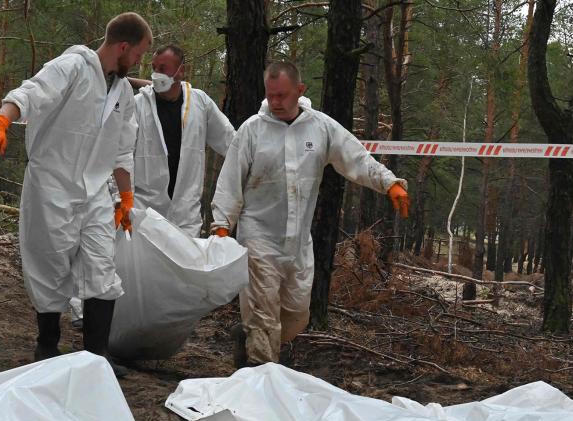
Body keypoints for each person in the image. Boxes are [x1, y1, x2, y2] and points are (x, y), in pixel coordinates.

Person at [0, 12, 151, 376]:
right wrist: (2, 120)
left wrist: (126, 197)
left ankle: (96, 357)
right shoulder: (72, 67)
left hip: (95, 192)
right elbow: (31, 92)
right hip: (53, 184)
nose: (138, 63)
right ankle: (47, 347)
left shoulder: (122, 91)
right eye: (137, 55)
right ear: (123, 47)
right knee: (50, 263)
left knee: (102, 265)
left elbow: (123, 150)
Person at [211, 62, 410, 367]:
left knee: (296, 316)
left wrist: (389, 183)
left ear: (300, 91)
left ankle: (250, 337)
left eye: (283, 95)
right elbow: (229, 181)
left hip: (298, 245)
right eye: (271, 95)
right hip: (259, 238)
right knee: (264, 317)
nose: (276, 102)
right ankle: (260, 381)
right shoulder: (252, 130)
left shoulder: (321, 128)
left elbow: (355, 157)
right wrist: (222, 225)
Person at [132, 45, 235, 236]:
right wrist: (120, 199)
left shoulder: (200, 103)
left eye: (163, 68)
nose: (156, 74)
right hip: (143, 212)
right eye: (154, 68)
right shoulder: (138, 105)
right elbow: (120, 155)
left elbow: (231, 143)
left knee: (183, 265)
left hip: (186, 215)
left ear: (181, 71)